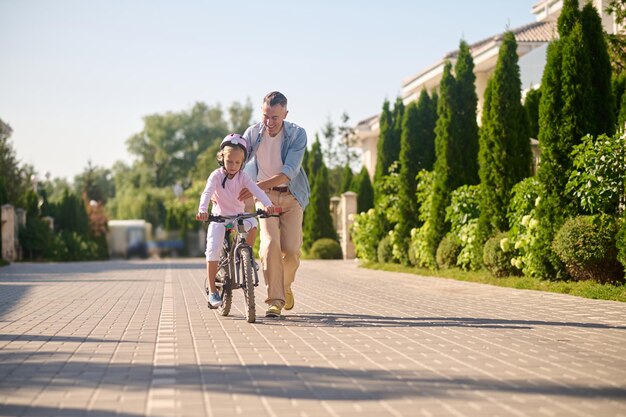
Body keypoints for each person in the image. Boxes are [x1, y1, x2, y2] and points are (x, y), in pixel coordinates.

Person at [239, 91, 310, 318]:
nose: (269, 123)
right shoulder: (252, 133)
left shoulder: (297, 135)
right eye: (265, 116)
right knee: (270, 245)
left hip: (291, 196)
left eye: (275, 118)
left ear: (285, 114)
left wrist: (255, 186)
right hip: (265, 198)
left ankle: (285, 285)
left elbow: (289, 172)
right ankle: (275, 301)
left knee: (291, 251)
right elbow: (237, 160)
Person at [196, 133, 275, 308]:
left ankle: (245, 257)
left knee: (253, 224)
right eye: (229, 161)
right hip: (220, 217)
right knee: (213, 248)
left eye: (237, 163)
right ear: (221, 158)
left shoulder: (243, 177)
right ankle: (213, 290)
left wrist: (268, 204)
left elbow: (257, 191)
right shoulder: (216, 176)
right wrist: (203, 210)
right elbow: (207, 193)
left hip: (238, 217)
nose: (233, 166)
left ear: (242, 162)